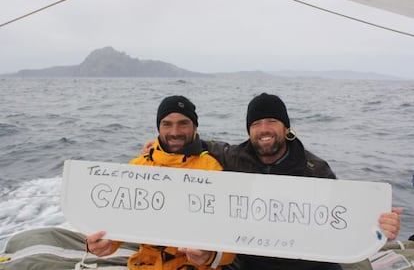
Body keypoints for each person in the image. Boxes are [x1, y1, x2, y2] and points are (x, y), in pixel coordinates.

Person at [205, 92, 402, 270]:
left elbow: (344, 218)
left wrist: (379, 226)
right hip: (251, 261)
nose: (263, 129)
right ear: (249, 131)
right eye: (256, 124)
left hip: (309, 264)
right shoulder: (233, 157)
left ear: (286, 127)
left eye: (272, 121)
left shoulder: (316, 170)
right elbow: (195, 144)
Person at [86, 95, 235, 270]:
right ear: (158, 127)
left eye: (183, 123)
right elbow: (119, 219)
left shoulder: (212, 170)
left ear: (195, 126)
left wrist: (210, 256)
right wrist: (107, 243)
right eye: (167, 124)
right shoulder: (137, 168)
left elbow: (230, 241)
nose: (175, 132)